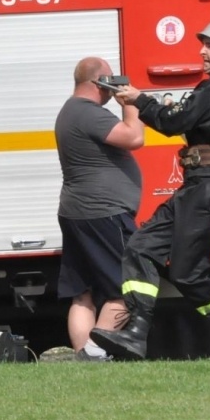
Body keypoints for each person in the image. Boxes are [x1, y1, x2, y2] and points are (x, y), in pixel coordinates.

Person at [90, 16, 210, 361]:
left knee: (188, 273)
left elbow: (172, 124)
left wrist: (138, 101)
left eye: (209, 46)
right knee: (140, 248)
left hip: (207, 190)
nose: (202, 52)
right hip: (199, 188)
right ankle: (137, 332)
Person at [55, 57, 145, 360]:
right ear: (100, 82)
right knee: (127, 289)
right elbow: (134, 137)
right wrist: (131, 101)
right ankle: (94, 353)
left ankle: (84, 355)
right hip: (103, 214)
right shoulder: (87, 113)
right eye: (112, 81)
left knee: (83, 293)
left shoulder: (70, 110)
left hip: (77, 212)